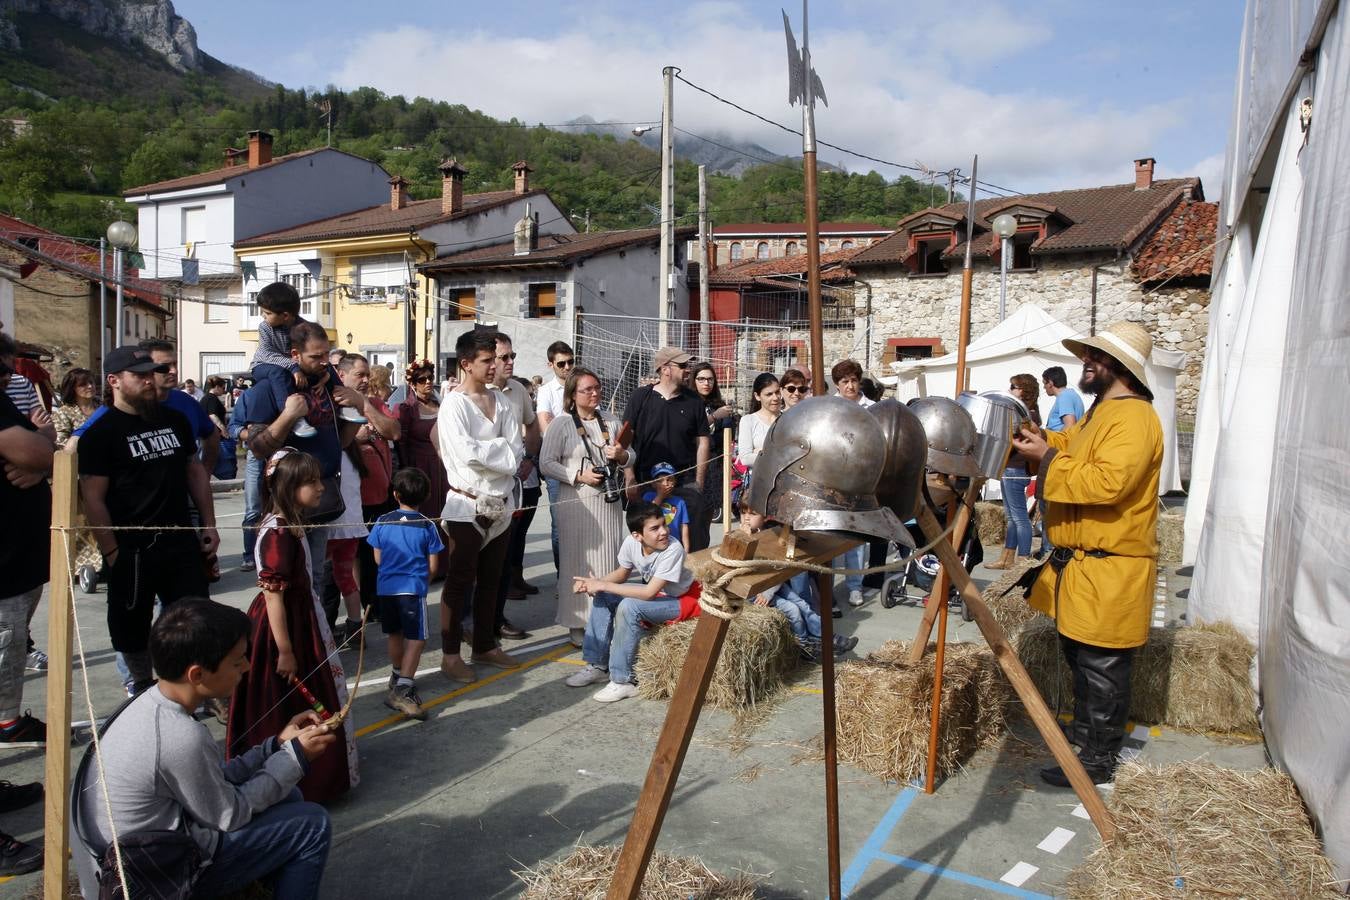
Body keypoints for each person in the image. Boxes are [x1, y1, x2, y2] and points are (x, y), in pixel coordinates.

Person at [76, 598, 334, 900]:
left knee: (289, 796)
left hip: (146, 847)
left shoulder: (152, 704)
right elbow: (230, 814)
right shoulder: (179, 735)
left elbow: (212, 780)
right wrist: (296, 758)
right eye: (237, 661)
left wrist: (274, 747)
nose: (247, 667)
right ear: (197, 675)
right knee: (313, 824)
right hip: (155, 876)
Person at [1009, 320, 1163, 788]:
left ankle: (1098, 757)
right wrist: (1038, 441)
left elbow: (1106, 482)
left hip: (1111, 567)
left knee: (1104, 668)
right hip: (1083, 567)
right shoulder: (1102, 413)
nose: (1085, 363)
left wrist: (1048, 458)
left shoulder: (1135, 419)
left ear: (1119, 367)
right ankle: (1086, 734)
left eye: (1094, 358)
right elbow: (1071, 449)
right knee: (1081, 658)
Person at [79, 346, 219, 695]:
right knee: (130, 626)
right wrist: (111, 552)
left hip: (178, 539)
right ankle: (141, 688)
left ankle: (193, 689)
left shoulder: (172, 420)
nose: (148, 379)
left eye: (149, 372)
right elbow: (93, 498)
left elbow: (195, 471)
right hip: (133, 548)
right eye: (138, 374)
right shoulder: (101, 432)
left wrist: (209, 524)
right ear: (113, 381)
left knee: (194, 620)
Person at [226, 450, 358, 803]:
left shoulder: (291, 524)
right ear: (288, 486)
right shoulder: (278, 533)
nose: (320, 487)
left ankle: (317, 774)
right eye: (310, 482)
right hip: (282, 628)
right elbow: (273, 598)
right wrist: (285, 650)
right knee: (282, 699)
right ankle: (292, 778)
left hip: (300, 617)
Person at [245, 322, 368, 621]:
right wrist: (289, 415)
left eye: (327, 355)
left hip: (321, 498)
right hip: (287, 507)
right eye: (316, 357)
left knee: (312, 580)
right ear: (294, 354)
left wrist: (353, 414)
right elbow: (258, 447)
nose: (324, 362)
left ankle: (313, 639)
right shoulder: (269, 387)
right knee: (286, 582)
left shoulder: (327, 382)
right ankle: (289, 647)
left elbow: (340, 438)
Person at [435, 330, 524, 683]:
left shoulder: (503, 402)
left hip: (501, 502)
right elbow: (465, 453)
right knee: (460, 581)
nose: (494, 366)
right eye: (487, 360)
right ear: (466, 364)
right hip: (467, 505)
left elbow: (516, 453)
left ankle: (485, 644)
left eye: (496, 359)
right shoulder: (454, 405)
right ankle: (450, 654)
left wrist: (497, 454)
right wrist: (499, 450)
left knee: (491, 578)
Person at [564, 501, 703, 702]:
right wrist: (594, 583)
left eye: (664, 524)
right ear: (637, 536)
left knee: (629, 607)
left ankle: (623, 681)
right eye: (655, 528)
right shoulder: (631, 543)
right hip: (661, 596)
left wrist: (603, 585)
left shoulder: (673, 549)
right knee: (605, 596)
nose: (664, 531)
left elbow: (648, 593)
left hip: (684, 601)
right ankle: (598, 666)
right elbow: (622, 573)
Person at [540, 366, 632, 648]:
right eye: (587, 390)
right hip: (576, 504)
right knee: (578, 562)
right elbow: (546, 462)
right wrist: (578, 475)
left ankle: (607, 616)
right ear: (572, 395)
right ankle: (578, 622)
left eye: (597, 388)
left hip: (608, 504)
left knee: (611, 560)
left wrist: (622, 454)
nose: (594, 393)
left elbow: (631, 455)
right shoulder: (561, 424)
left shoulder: (612, 421)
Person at [0, 349, 53, 749]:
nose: (7, 376)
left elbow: (43, 444)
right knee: (6, 642)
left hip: (20, 555)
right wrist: (40, 456)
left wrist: (38, 459)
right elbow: (41, 450)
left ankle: (8, 718)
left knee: (14, 640)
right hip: (5, 563)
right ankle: (6, 722)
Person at [367, 467, 444, 720]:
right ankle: (404, 686)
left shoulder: (381, 521)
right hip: (412, 589)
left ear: (395, 494)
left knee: (395, 634)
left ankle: (397, 673)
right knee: (417, 638)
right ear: (426, 495)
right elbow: (433, 566)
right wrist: (423, 579)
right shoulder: (426, 526)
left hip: (386, 588)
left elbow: (377, 558)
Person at [622, 347, 711, 550]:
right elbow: (626, 440)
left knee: (693, 545)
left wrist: (698, 482)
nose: (688, 370)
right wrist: (630, 478)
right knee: (650, 546)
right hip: (647, 484)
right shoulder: (641, 397)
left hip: (685, 484)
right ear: (665, 369)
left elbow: (702, 443)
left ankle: (692, 583)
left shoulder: (694, 400)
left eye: (688, 365)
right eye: (682, 366)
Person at [251, 282, 364, 439]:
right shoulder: (265, 327)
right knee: (278, 373)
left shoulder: (304, 328)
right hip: (266, 365)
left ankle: (344, 405)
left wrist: (325, 373)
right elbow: (266, 353)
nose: (263, 316)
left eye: (267, 313)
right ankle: (295, 418)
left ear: (285, 315)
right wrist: (293, 367)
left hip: (293, 365)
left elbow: (313, 355)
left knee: (326, 364)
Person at [338, 353, 402, 626]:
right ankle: (353, 615)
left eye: (367, 375)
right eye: (359, 375)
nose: (365, 380)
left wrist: (365, 406)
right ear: (342, 376)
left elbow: (393, 431)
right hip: (347, 500)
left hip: (380, 495)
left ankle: (372, 607)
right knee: (348, 560)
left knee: (377, 557)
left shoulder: (375, 404)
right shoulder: (332, 406)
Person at [491, 334, 542, 638]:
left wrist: (530, 458)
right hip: (480, 492)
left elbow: (532, 424)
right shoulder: (469, 394)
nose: (510, 362)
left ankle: (496, 618)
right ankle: (470, 624)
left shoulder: (518, 390)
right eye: (503, 357)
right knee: (476, 565)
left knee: (504, 555)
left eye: (513, 356)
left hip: (511, 487)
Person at [396, 359, 449, 577]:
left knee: (445, 514)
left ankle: (443, 565)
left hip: (443, 468)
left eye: (430, 378)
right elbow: (402, 442)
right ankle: (424, 566)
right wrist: (407, 473)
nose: (428, 382)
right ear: (412, 383)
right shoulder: (407, 409)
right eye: (422, 379)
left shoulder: (441, 405)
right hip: (419, 467)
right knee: (423, 516)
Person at [53, 367, 103, 594]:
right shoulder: (65, 412)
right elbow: (61, 442)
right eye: (84, 384)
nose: (90, 387)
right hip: (78, 475)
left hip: (105, 473)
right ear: (73, 388)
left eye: (92, 382)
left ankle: (104, 562)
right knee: (82, 522)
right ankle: (82, 566)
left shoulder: (103, 408)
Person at [988, 374, 1042, 570]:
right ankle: (1007, 557)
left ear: (1024, 390)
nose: (1010, 389)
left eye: (1014, 387)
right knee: (1012, 517)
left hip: (1016, 469)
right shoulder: (1025, 413)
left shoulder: (1027, 415)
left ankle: (1023, 561)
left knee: (1019, 517)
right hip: (1011, 468)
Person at [536, 340, 575, 572]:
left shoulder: (581, 385)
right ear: (551, 364)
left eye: (571, 361)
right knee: (559, 523)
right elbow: (546, 427)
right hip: (557, 463)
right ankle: (563, 574)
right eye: (561, 363)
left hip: (582, 461)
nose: (567, 367)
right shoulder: (546, 391)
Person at [690, 362, 733, 524]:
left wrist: (729, 420)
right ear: (694, 381)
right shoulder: (688, 403)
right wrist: (714, 417)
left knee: (708, 513)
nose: (706, 383)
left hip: (715, 464)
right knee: (693, 513)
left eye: (710, 379)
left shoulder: (718, 405)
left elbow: (726, 436)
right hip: (693, 463)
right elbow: (689, 430)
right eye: (701, 379)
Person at [735, 372, 782, 473]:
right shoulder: (748, 421)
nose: (775, 397)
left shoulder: (787, 419)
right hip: (759, 482)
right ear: (757, 396)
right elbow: (746, 459)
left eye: (777, 392)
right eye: (769, 394)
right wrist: (775, 454)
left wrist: (761, 452)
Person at [642, 462, 689, 550]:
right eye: (660, 481)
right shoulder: (648, 496)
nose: (665, 483)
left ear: (674, 482)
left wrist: (686, 549)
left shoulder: (680, 502)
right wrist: (660, 496)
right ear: (653, 484)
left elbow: (684, 527)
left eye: (669, 479)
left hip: (673, 545)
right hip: (653, 545)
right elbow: (646, 515)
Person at [1042, 365, 1084, 432]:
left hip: (1060, 441)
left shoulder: (1065, 396)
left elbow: (1070, 426)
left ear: (1050, 383)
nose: (1044, 387)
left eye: (1044, 383)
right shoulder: (1070, 395)